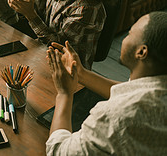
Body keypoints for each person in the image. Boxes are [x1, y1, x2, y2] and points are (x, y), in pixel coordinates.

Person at [45, 11, 167, 155]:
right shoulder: (157, 88)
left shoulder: (117, 115)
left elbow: (59, 150)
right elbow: (129, 92)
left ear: (141, 52)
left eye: (130, 33)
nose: (125, 36)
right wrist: (81, 74)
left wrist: (64, 93)